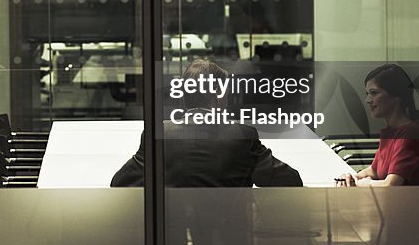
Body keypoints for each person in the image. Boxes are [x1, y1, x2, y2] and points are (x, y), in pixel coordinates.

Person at [110, 59, 302, 187]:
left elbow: (120, 182)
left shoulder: (158, 134)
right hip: (233, 239)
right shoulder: (243, 135)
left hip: (170, 239)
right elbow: (291, 180)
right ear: (219, 95)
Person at [336, 64, 419, 187]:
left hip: (411, 205)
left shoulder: (411, 133)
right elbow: (374, 170)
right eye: (367, 94)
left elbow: (391, 185)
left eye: (374, 93)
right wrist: (353, 177)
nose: (368, 100)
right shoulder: (391, 132)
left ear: (396, 95)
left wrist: (363, 183)